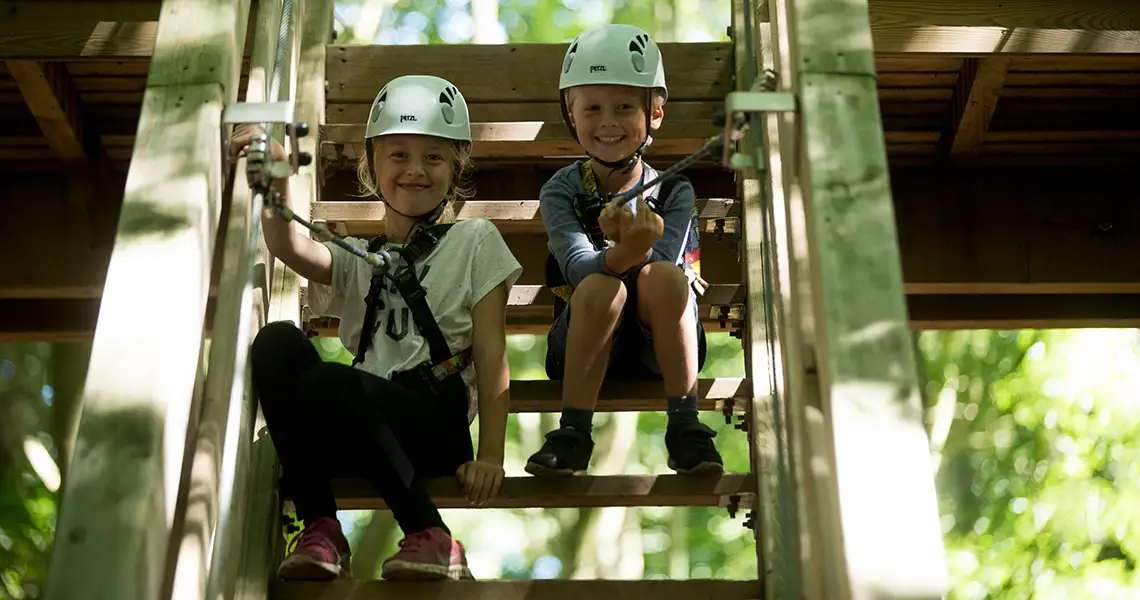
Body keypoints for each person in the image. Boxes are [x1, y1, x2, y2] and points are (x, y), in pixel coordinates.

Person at [234, 75, 522, 581]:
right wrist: (277, 174)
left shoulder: (476, 240)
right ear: (371, 164)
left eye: (434, 157)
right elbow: (288, 246)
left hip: (434, 424)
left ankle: (432, 536)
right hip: (358, 423)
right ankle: (321, 529)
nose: (415, 170)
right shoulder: (360, 257)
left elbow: (492, 352)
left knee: (331, 383)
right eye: (398, 155)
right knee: (277, 342)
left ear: (456, 168)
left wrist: (491, 456)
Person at [526, 24, 724, 478]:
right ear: (572, 116)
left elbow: (664, 272)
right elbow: (577, 269)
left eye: (624, 107)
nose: (608, 121)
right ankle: (573, 432)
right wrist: (626, 250)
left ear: (654, 113)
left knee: (665, 276)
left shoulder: (673, 191)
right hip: (582, 342)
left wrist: (636, 249)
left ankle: (686, 427)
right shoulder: (561, 190)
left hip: (662, 346)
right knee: (600, 286)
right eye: (592, 108)